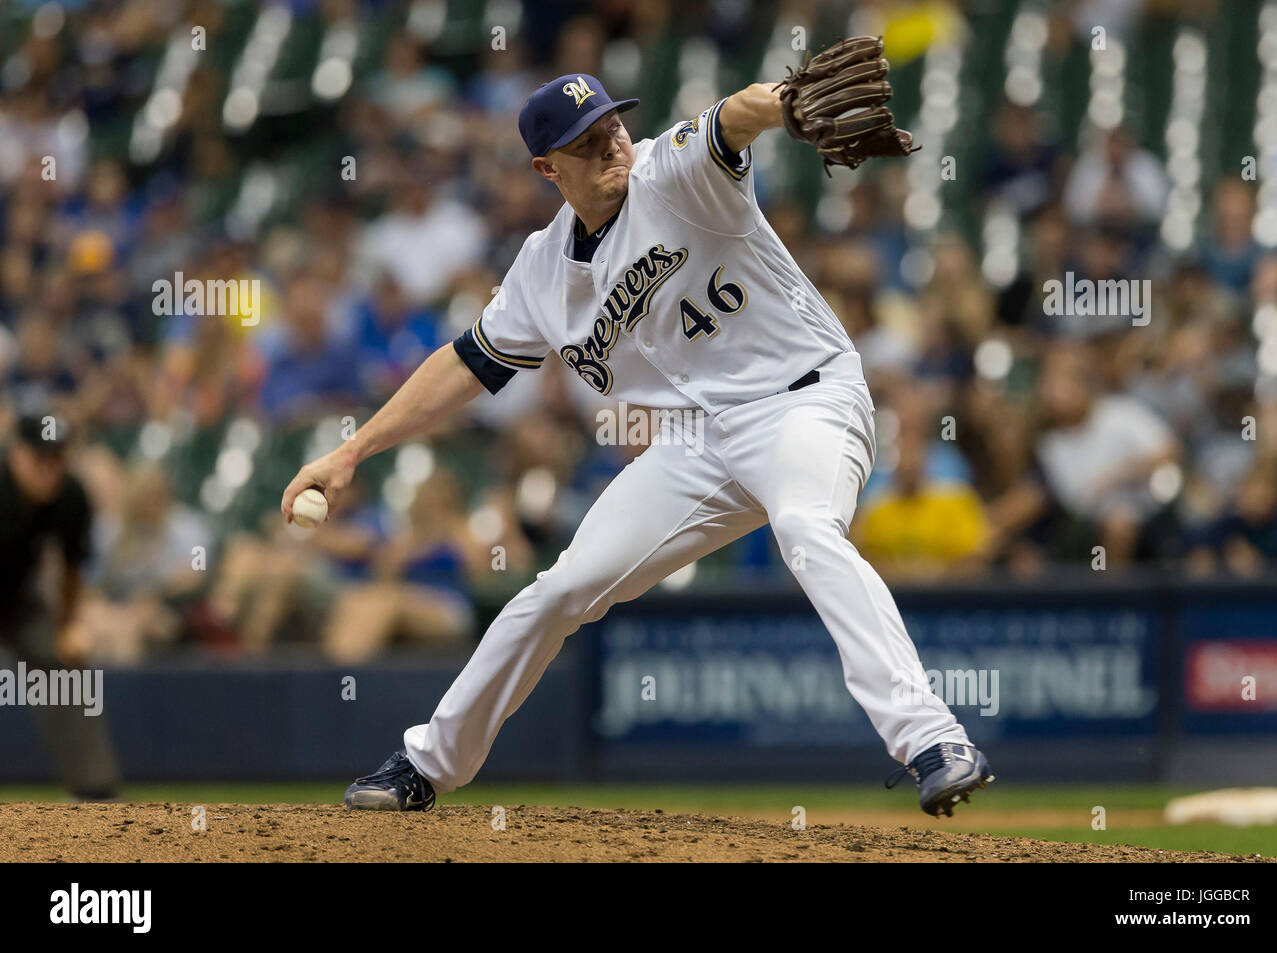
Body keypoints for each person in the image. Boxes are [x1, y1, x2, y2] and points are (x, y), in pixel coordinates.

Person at [282, 71, 993, 817]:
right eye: (586, 144)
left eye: (613, 127)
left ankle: (932, 740)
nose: (611, 144)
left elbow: (733, 116)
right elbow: (466, 363)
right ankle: (425, 764)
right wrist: (351, 451)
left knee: (807, 530)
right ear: (546, 169)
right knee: (560, 589)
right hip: (700, 442)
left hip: (806, 400)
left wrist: (781, 105)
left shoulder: (672, 170)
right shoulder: (542, 271)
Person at [0, 412, 119, 799]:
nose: (49, 470)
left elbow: (72, 568)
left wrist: (68, 624)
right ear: (16, 454)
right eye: (39, 459)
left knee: (68, 667)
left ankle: (96, 793)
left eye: (57, 459)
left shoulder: (70, 495)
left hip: (19, 602)